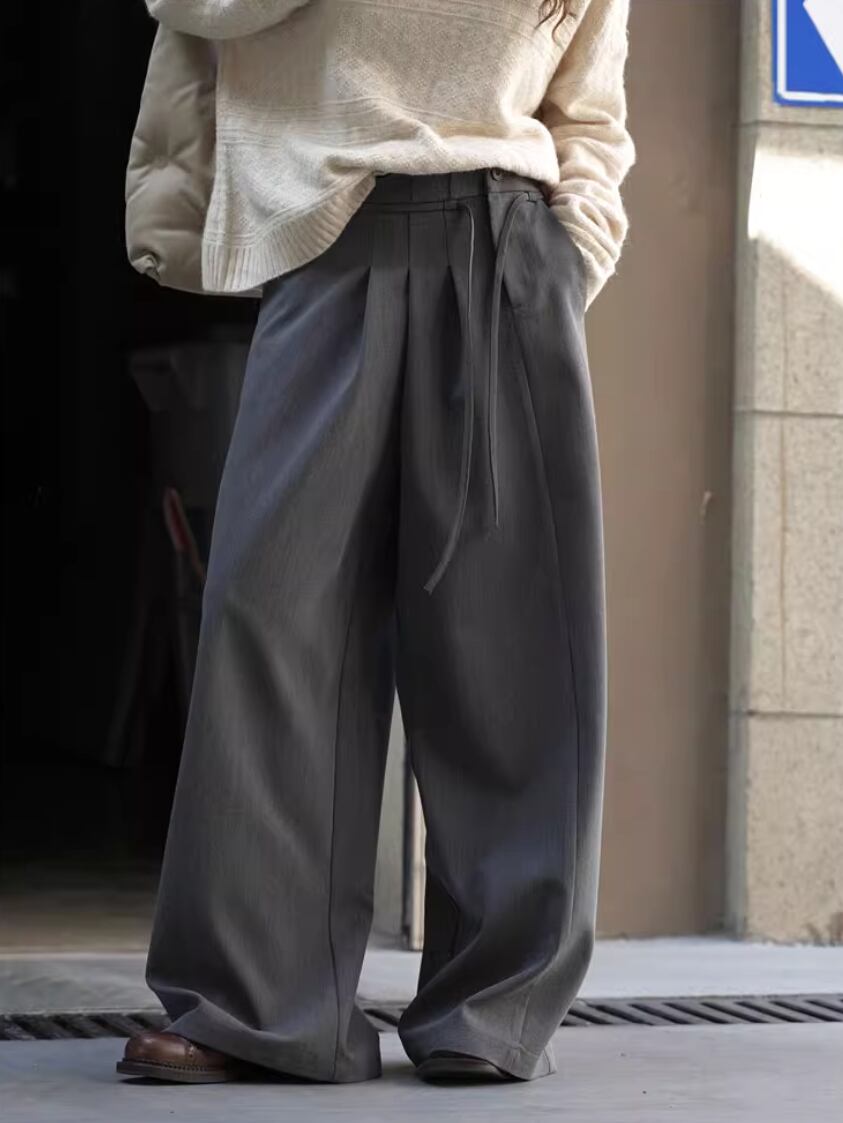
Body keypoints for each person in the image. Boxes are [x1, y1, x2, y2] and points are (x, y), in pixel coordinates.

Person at [117, 0, 635, 1087]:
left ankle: (494, 1006)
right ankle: (256, 1005)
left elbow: (589, 109)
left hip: (506, 243)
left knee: (509, 647)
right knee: (271, 627)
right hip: (327, 243)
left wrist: (570, 247)